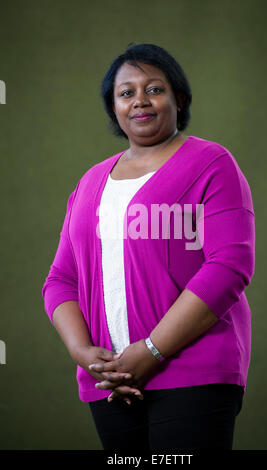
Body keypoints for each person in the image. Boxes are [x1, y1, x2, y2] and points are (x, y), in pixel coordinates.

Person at [41, 42, 255, 451]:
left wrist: (152, 350)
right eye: (126, 92)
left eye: (154, 88)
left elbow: (230, 264)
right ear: (114, 107)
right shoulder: (90, 183)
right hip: (110, 383)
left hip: (194, 373)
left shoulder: (211, 163)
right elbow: (60, 280)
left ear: (179, 97)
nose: (140, 100)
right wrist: (83, 352)